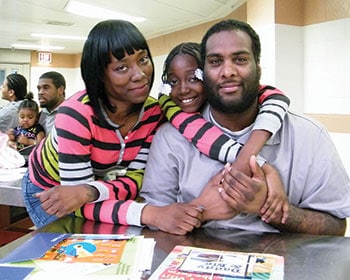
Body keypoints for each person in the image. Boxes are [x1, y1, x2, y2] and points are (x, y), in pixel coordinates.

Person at [139, 19, 350, 236]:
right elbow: (155, 223)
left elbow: (336, 227)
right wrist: (204, 210)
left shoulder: (310, 136)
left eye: (240, 59)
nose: (227, 71)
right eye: (215, 61)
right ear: (204, 71)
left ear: (257, 67)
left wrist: (268, 209)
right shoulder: (169, 139)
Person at [22, 19, 167, 229]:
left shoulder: (153, 113)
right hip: (48, 189)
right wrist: (151, 214)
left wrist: (89, 191)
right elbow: (75, 200)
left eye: (143, 59)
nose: (140, 74)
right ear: (100, 75)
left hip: (93, 187)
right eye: (122, 67)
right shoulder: (76, 114)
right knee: (76, 253)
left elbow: (137, 180)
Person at [157, 42, 290, 223]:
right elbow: (215, 143)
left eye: (194, 78)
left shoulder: (264, 97)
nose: (183, 89)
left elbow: (276, 99)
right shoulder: (173, 115)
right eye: (173, 81)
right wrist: (267, 170)